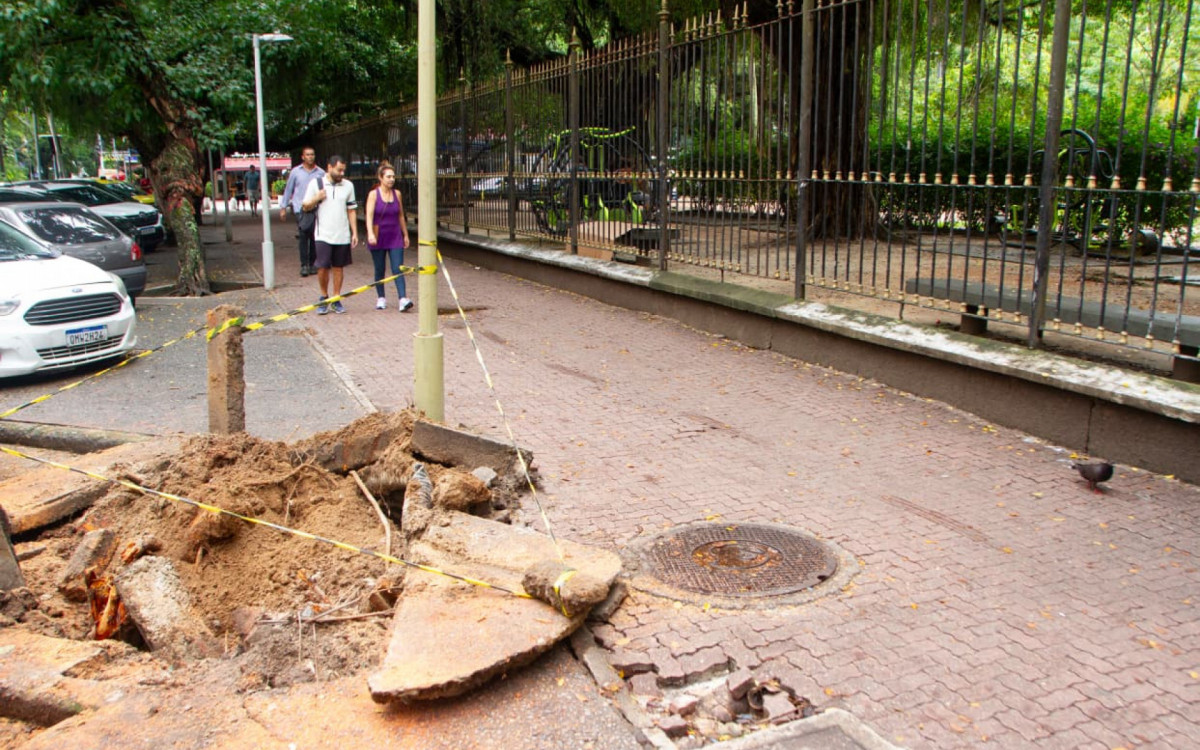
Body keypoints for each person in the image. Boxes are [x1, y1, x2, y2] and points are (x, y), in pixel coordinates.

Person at [302, 154, 358, 315]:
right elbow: (305, 206)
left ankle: (336, 297)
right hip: (323, 234)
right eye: (339, 170)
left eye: (343, 171)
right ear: (330, 167)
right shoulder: (317, 183)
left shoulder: (348, 186)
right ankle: (323, 296)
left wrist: (354, 232)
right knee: (322, 267)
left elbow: (351, 210)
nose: (342, 174)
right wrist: (316, 198)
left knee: (339, 267)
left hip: (342, 234)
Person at [365, 162, 413, 312]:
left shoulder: (397, 194)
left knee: (398, 267)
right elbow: (369, 216)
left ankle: (402, 299)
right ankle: (381, 297)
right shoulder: (373, 195)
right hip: (379, 236)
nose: (391, 179)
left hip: (394, 236)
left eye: (393, 177)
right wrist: (371, 234)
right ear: (380, 178)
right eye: (388, 177)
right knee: (379, 268)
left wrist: (405, 234)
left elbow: (400, 215)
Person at [280, 147, 325, 277]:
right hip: (300, 208)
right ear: (303, 157)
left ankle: (312, 263)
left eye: (312, 154)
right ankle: (304, 265)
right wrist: (283, 207)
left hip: (315, 208)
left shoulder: (320, 173)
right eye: (308, 155)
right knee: (303, 235)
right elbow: (289, 189)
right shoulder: (296, 172)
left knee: (314, 236)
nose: (310, 157)